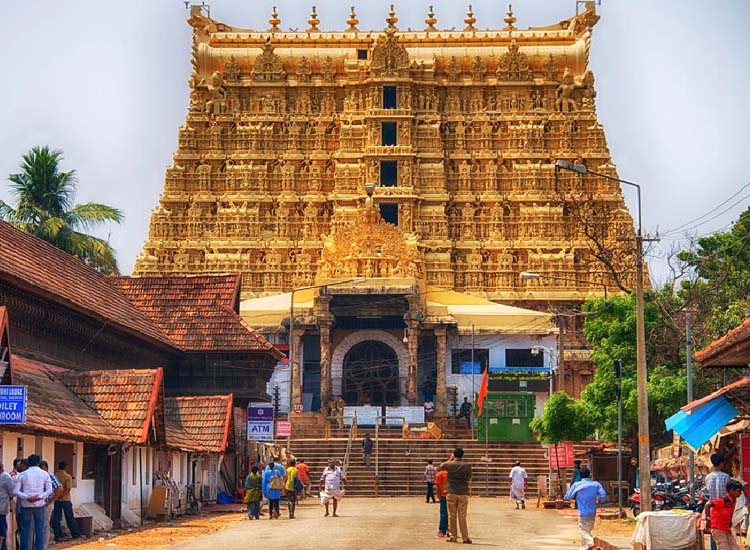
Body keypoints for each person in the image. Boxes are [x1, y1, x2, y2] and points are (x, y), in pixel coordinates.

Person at [14, 454, 52, 550]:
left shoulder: (22, 474)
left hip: (26, 505)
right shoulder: (45, 474)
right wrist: (39, 497)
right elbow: (49, 491)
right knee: (39, 530)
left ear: (28, 463)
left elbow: (15, 491)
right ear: (39, 462)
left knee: (25, 530)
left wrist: (27, 497)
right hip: (40, 505)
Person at [564, 467, 606, 550]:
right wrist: (598, 499)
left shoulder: (577, 485)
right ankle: (585, 547)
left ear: (580, 475)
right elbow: (603, 495)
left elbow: (568, 497)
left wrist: (568, 497)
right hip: (592, 511)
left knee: (582, 531)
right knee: (587, 531)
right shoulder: (596, 484)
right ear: (590, 475)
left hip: (583, 512)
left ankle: (591, 544)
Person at [439, 447, 472, 544]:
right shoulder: (467, 466)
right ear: (462, 455)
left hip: (451, 492)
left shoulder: (450, 465)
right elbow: (468, 477)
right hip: (463, 492)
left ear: (454, 455)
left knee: (451, 515)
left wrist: (449, 460)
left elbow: (439, 467)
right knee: (462, 516)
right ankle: (465, 537)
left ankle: (453, 536)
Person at [705, 479, 744, 550]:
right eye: (738, 491)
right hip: (717, 528)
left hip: (725, 528)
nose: (740, 493)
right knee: (723, 547)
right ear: (732, 490)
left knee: (734, 548)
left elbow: (730, 511)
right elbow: (708, 505)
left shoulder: (733, 500)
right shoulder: (724, 500)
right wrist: (708, 519)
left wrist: (730, 521)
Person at [706, 453, 731, 550]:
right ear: (721, 463)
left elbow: (708, 491)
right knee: (724, 535)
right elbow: (729, 493)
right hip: (724, 509)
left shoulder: (708, 477)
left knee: (714, 532)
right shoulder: (726, 477)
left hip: (713, 509)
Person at [51, 461, 79, 542]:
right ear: (65, 467)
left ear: (58, 466)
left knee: (56, 518)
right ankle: (75, 534)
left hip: (57, 499)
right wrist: (62, 495)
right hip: (66, 499)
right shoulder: (68, 476)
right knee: (69, 517)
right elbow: (68, 488)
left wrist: (57, 496)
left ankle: (58, 535)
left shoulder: (55, 475)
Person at [40, 461, 60, 549]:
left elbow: (59, 488)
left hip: (47, 503)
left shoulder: (50, 476)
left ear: (47, 468)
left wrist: (51, 500)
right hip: (38, 503)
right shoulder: (39, 476)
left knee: (45, 524)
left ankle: (44, 546)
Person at [0, 462, 15, 550]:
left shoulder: (6, 477)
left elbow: (12, 492)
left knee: (2, 528)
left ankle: (3, 546)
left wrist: (9, 499)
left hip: (2, 507)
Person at [435, 467, 448, 538]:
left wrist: (439, 495)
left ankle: (442, 530)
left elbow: (437, 486)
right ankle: (450, 530)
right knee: (452, 514)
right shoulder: (454, 473)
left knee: (443, 513)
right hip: (453, 494)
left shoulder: (440, 474)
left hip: (444, 495)